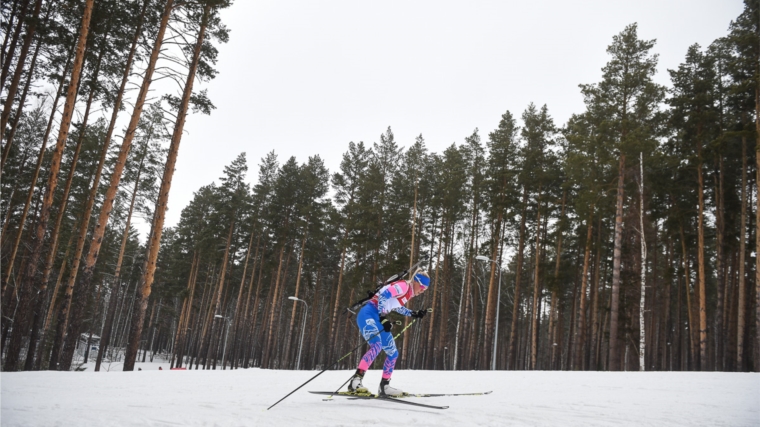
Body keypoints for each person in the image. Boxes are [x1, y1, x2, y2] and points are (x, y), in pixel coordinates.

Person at [349, 270, 430, 397]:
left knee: (393, 353)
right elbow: (384, 295)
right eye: (422, 287)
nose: (423, 290)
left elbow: (395, 306)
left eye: (425, 289)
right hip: (369, 313)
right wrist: (382, 316)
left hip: (379, 316)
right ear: (416, 282)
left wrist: (413, 313)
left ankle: (384, 386)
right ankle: (355, 381)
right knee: (377, 345)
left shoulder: (408, 293)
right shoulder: (404, 286)